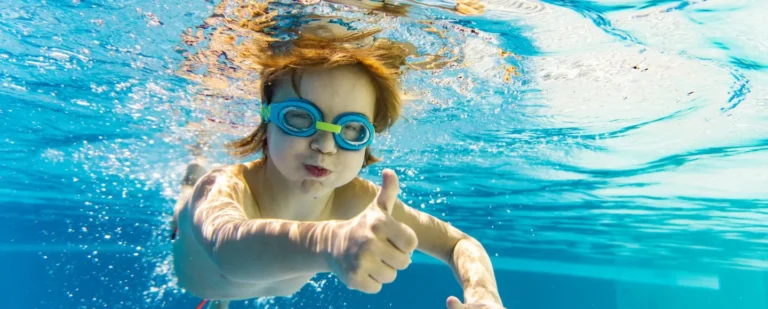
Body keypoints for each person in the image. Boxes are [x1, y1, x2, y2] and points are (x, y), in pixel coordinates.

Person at [171, 1, 502, 309]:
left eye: (351, 129)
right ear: (267, 118)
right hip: (205, 277)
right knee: (191, 195)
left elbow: (459, 243)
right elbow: (227, 249)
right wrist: (328, 242)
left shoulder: (356, 201)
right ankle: (190, 177)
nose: (325, 146)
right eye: (300, 118)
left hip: (239, 282)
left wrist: (483, 295)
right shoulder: (222, 188)